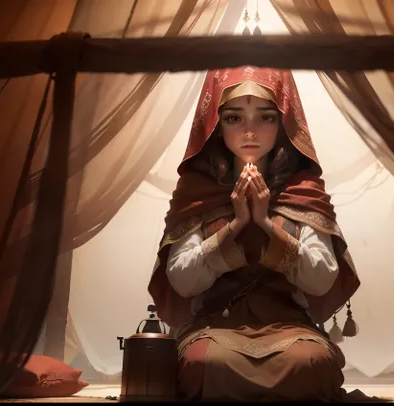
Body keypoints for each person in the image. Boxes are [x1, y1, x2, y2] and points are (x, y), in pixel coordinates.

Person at [147, 66, 360, 402]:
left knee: (311, 365)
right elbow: (183, 280)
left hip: (289, 325)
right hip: (215, 326)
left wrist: (264, 224)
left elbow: (321, 279)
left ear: (283, 124)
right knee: (206, 365)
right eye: (234, 118)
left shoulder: (302, 190)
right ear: (216, 128)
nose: (249, 130)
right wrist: (234, 226)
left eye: (265, 117)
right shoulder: (197, 190)